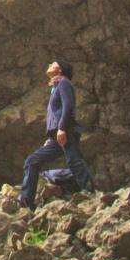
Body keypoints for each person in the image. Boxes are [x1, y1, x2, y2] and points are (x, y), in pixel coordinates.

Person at [17, 58, 95, 209]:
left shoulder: (64, 83)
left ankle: (89, 192)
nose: (49, 65)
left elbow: (68, 107)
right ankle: (26, 201)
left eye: (53, 63)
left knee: (74, 161)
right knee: (32, 161)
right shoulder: (56, 87)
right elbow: (56, 113)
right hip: (57, 135)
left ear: (60, 70)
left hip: (66, 131)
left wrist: (62, 128)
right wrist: (51, 136)